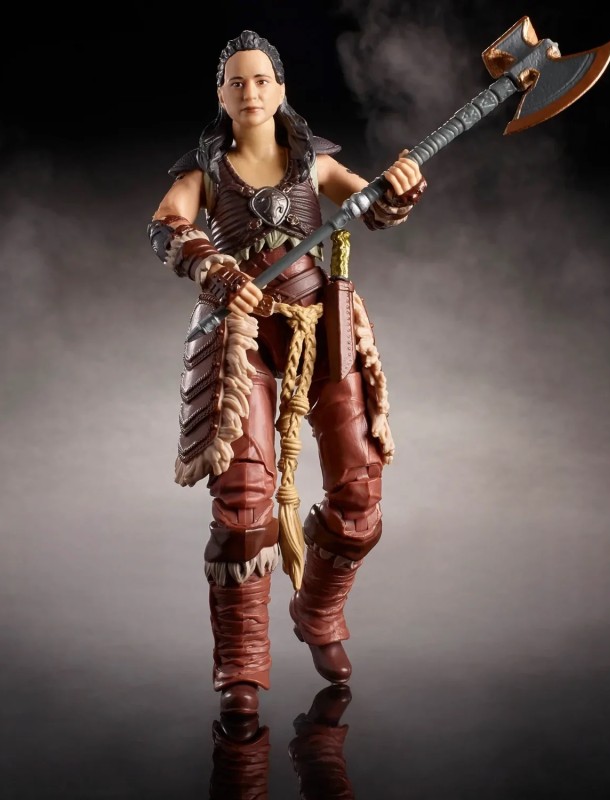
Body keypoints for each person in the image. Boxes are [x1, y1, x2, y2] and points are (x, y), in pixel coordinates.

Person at [147, 29, 425, 716]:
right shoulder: (205, 172)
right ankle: (241, 663)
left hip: (322, 327)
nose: (250, 92)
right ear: (220, 95)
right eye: (237, 82)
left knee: (359, 488)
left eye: (262, 80)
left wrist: (399, 187)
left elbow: (374, 205)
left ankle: (319, 612)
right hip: (239, 337)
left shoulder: (313, 165)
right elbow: (167, 223)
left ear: (281, 90)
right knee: (243, 504)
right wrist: (213, 268)